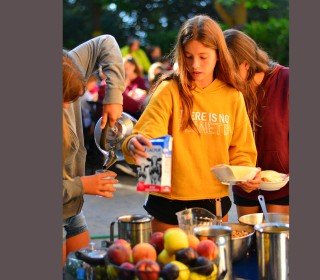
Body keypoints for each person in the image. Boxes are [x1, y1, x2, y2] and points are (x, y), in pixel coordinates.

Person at [121, 15, 260, 233]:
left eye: (203, 57)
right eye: (188, 57)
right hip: (166, 203)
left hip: (213, 203)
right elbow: (145, 135)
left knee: (209, 267)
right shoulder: (169, 89)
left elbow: (242, 151)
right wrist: (134, 144)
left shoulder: (233, 96)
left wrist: (245, 176)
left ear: (218, 55)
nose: (195, 65)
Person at [62, 34, 125, 264]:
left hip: (71, 210)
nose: (68, 108)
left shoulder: (67, 63)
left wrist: (114, 95)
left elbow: (106, 42)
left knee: (86, 269)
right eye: (65, 101)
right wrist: (82, 184)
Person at [223, 29, 289, 217]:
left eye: (227, 70)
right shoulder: (230, 92)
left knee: (280, 244)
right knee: (248, 243)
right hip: (245, 189)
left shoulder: (286, 80)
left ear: (245, 64)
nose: (223, 78)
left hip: (283, 188)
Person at [122, 55, 149, 119]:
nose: (125, 71)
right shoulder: (124, 80)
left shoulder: (139, 80)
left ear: (133, 67)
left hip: (135, 111)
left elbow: (143, 95)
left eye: (127, 68)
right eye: (124, 68)